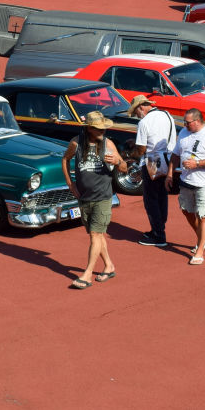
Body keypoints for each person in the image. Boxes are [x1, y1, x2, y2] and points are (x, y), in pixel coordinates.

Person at [62, 111, 125, 289]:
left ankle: (87, 274)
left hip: (103, 197)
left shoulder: (108, 144)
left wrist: (118, 162)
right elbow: (65, 160)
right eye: (99, 129)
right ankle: (109, 266)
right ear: (89, 128)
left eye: (104, 128)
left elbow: (125, 168)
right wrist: (70, 184)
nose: (102, 131)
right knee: (96, 235)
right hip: (84, 197)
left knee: (95, 235)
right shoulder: (76, 143)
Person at [165, 107, 205, 265]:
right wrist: (170, 174)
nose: (185, 124)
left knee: (203, 216)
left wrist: (197, 163)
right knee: (186, 211)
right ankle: (203, 238)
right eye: (184, 122)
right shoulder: (184, 133)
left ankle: (200, 251)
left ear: (197, 121)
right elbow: (176, 154)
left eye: (188, 122)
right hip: (186, 180)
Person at [130, 95, 176, 249]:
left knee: (151, 199)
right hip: (168, 159)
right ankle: (158, 228)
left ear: (140, 107)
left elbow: (142, 148)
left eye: (136, 112)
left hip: (152, 161)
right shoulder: (167, 115)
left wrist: (132, 153)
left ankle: (158, 234)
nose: (137, 115)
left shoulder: (144, 122)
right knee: (162, 195)